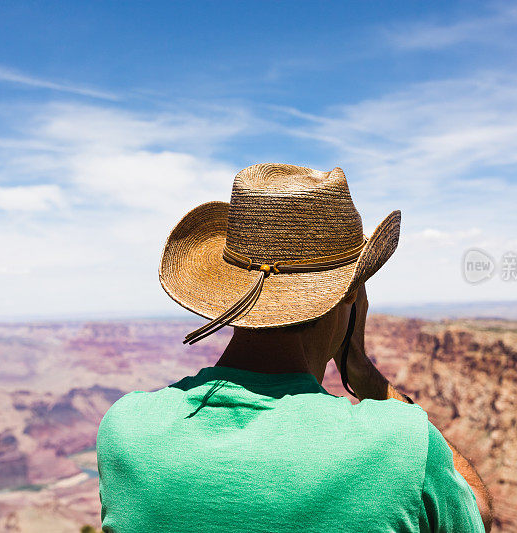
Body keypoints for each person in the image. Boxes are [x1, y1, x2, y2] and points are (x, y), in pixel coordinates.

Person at [97, 163, 493, 532]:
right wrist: (361, 368)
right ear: (351, 292)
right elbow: (478, 513)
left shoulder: (125, 430)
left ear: (226, 289)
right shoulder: (401, 445)